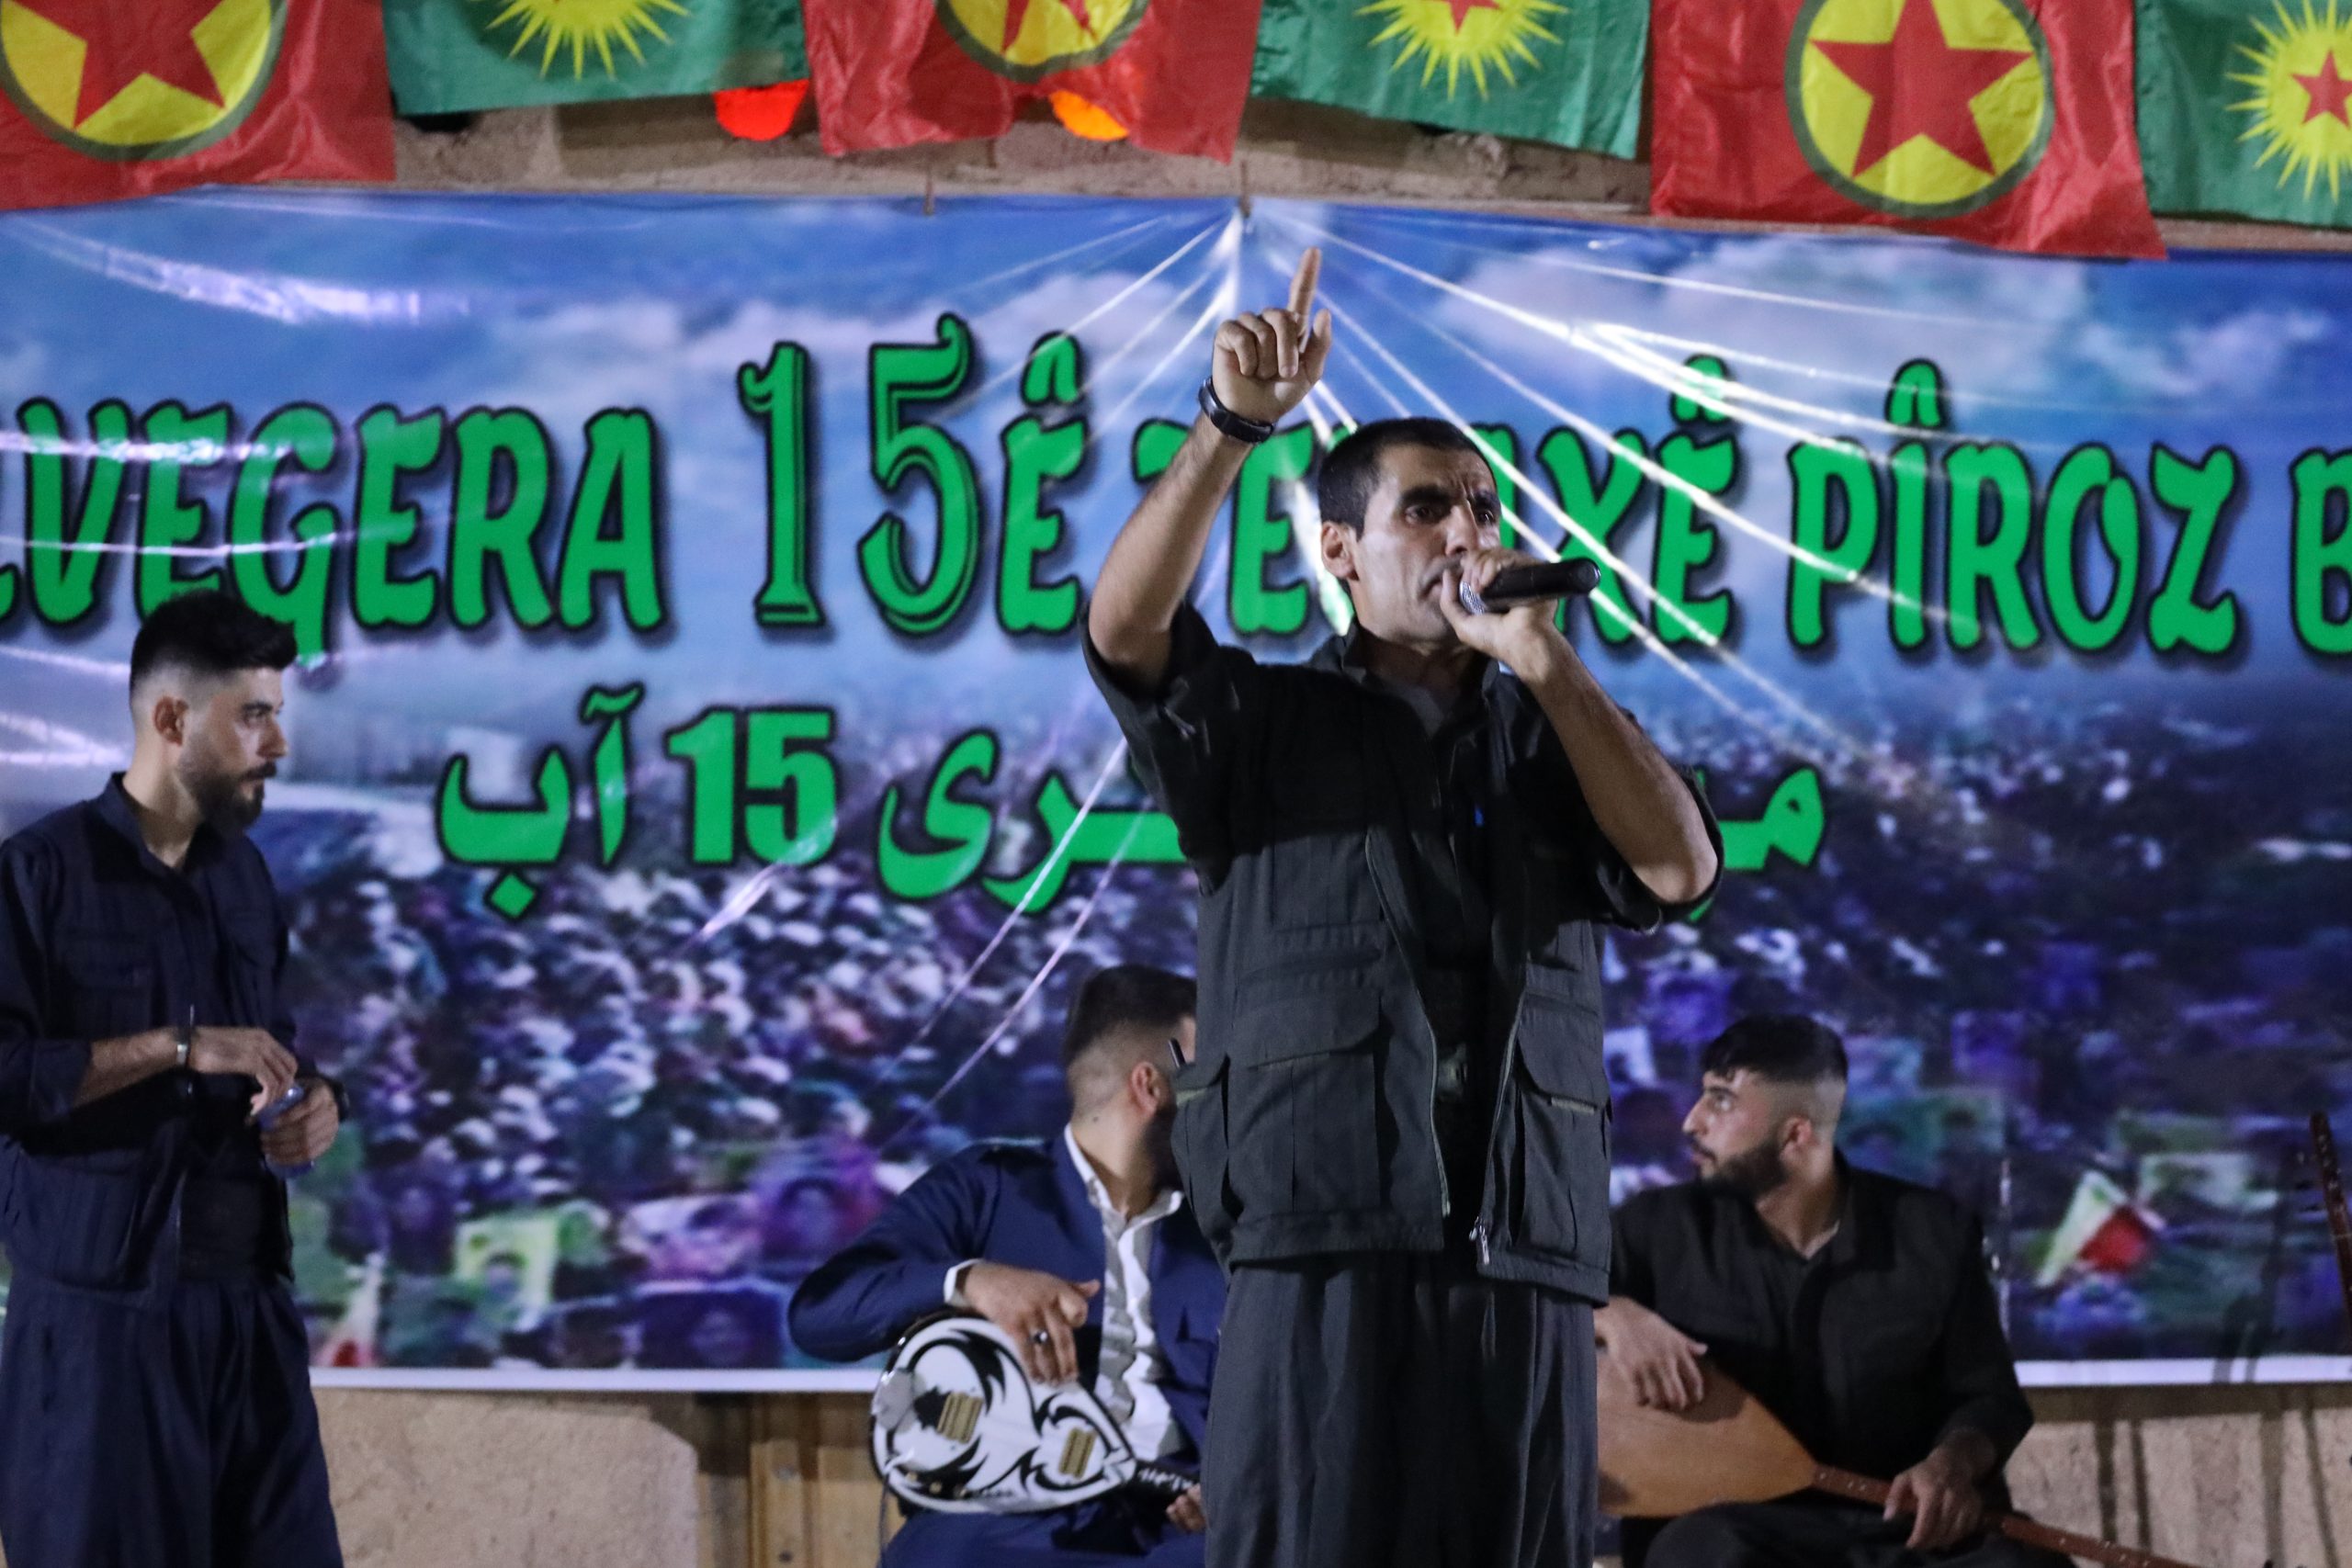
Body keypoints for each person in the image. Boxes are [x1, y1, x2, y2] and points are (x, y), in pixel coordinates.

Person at [1083, 250, 1721, 1568]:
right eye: (1425, 509)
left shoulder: (1550, 729)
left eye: (1481, 506)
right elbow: (1125, 629)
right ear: (1339, 550)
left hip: (1524, 1245)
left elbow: (1679, 871)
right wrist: (1232, 426)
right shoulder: (1267, 720)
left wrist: (1545, 665)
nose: (1466, 534)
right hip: (1320, 1234)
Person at [0, 588, 350, 1566]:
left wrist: (317, 1103)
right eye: (253, 715)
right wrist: (178, 1047)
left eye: (276, 713)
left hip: (251, 1316)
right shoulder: (38, 874)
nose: (277, 742)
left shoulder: (245, 878)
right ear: (170, 719)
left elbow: (270, 1046)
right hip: (100, 1337)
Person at [789, 964, 1220, 1568]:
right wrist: (969, 1280)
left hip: (1173, 1530)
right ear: (1150, 1087)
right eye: (1206, 1082)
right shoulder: (986, 1187)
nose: (1225, 1107)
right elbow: (819, 1314)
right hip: (1004, 1522)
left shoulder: (1227, 1221)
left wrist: (1231, 1490)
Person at [1600, 1014, 2069, 1568]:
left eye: (1721, 1102)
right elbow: (1543, 1304)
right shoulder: (1654, 1228)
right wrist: (1612, 1313)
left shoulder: (1931, 1232)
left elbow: (1988, 1397)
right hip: (1732, 1530)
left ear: (1796, 1133)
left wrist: (1952, 1465)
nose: (1692, 1122)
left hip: (1900, 1531)